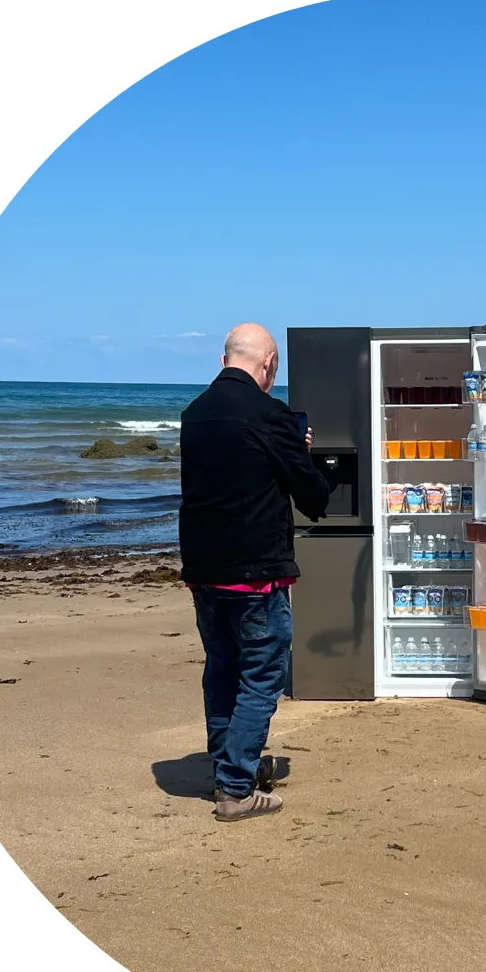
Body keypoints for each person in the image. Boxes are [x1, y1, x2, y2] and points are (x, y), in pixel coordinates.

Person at [179, 323, 330, 821]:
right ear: (268, 364)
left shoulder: (194, 414)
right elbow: (313, 497)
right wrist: (299, 448)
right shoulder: (270, 414)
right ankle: (236, 788)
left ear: (226, 359)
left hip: (204, 568)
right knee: (262, 675)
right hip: (255, 571)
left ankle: (227, 769)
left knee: (221, 668)